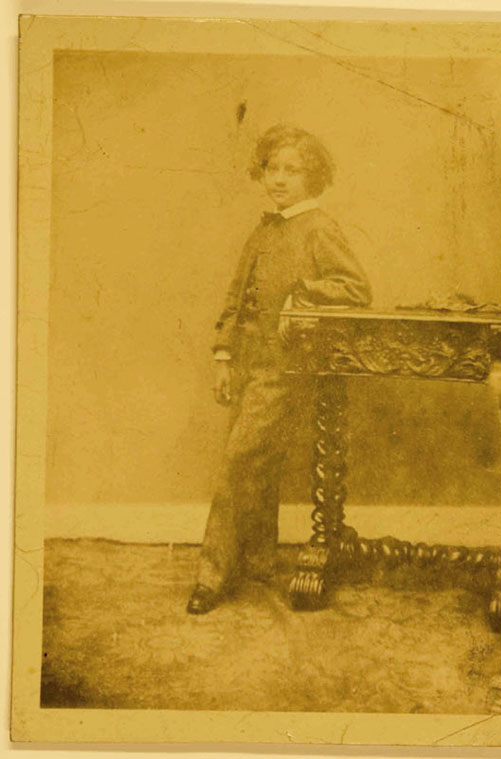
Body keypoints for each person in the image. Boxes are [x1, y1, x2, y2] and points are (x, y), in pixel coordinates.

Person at [187, 124, 371, 614]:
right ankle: (260, 561)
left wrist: (304, 292)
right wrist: (223, 357)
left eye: (293, 170)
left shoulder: (319, 228)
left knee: (237, 464)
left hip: (284, 368)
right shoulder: (265, 228)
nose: (280, 179)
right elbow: (235, 298)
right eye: (273, 168)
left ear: (313, 177)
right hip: (247, 363)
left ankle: (211, 574)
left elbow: (355, 289)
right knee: (256, 465)